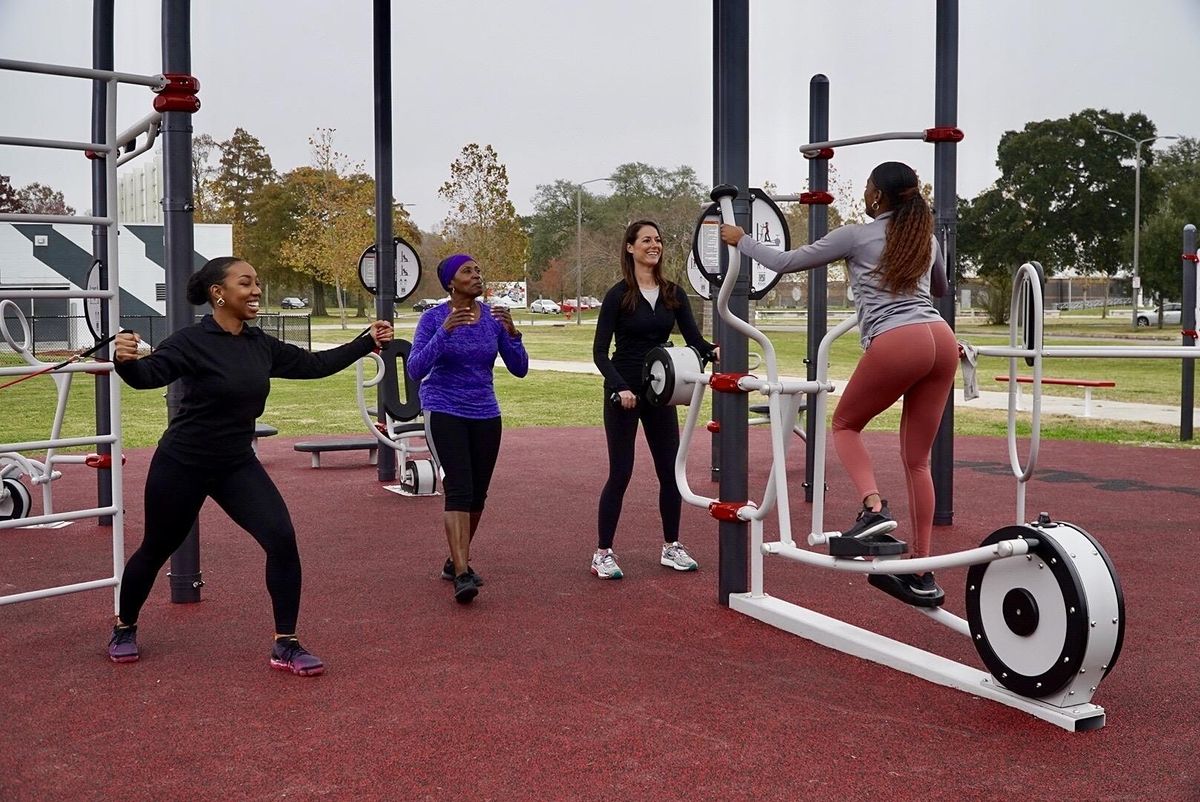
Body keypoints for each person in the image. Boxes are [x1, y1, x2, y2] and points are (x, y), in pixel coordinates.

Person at [106, 256, 393, 675]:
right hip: (182, 461)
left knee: (281, 539)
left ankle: (286, 644)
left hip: (235, 463)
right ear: (218, 294)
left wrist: (365, 341)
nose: (256, 290)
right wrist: (125, 361)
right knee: (157, 548)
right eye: (246, 283)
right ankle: (124, 626)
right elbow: (147, 376)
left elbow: (314, 366)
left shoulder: (260, 345)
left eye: (257, 282)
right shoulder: (189, 342)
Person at [720, 161, 954, 599]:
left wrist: (742, 241)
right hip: (941, 340)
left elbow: (788, 262)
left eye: (867, 188)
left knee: (845, 425)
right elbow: (940, 288)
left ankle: (873, 507)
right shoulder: (927, 238)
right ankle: (922, 570)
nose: (864, 195)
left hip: (899, 340)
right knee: (918, 461)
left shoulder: (856, 234)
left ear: (878, 196)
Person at [591, 220, 717, 580]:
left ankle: (671, 546)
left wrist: (714, 351)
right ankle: (603, 552)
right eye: (646, 240)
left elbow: (696, 341)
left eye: (658, 240)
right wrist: (619, 388)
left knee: (670, 472)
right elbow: (600, 352)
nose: (654, 245)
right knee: (621, 472)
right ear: (630, 247)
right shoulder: (618, 295)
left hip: (661, 391)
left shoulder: (672, 293)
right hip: (625, 391)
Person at [407, 254, 528, 604]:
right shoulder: (433, 319)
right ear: (450, 282)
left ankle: (453, 560)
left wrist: (513, 334)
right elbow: (416, 369)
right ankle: (463, 572)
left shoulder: (492, 318)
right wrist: (444, 333)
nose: (477, 276)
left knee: (478, 495)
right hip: (444, 408)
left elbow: (519, 369)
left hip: (486, 412)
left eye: (478, 270)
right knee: (458, 489)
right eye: (467, 271)